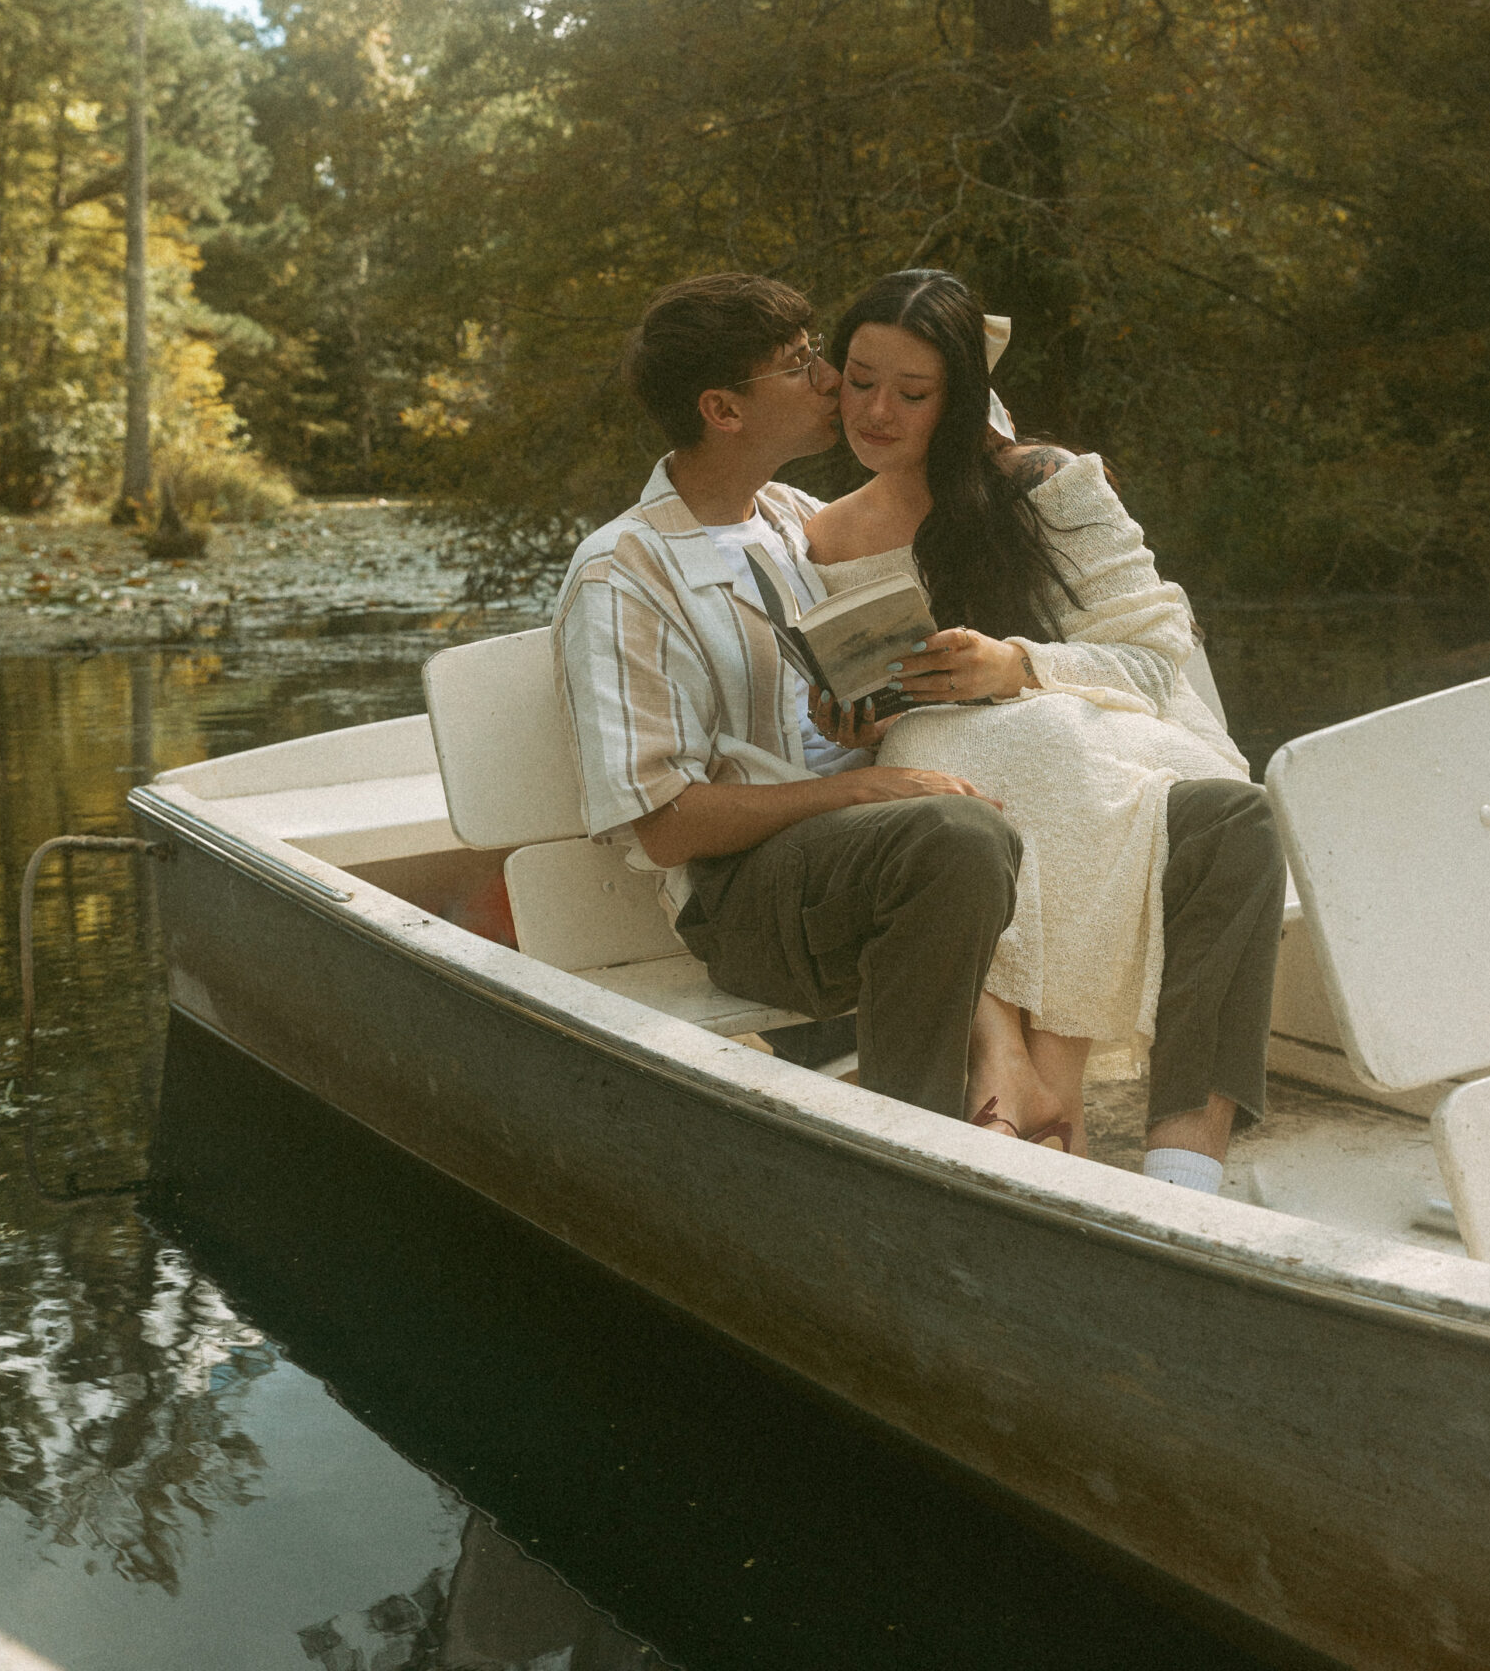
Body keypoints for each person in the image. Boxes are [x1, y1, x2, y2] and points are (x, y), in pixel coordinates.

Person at [802, 269, 1286, 1190]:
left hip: (1116, 735)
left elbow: (1156, 656)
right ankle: (1030, 1094)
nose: (876, 412)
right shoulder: (825, 537)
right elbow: (856, 693)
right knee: (948, 754)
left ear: (959, 399)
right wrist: (847, 718)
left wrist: (1020, 666)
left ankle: (1110, 1130)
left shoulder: (1046, 484)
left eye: (912, 393)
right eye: (859, 380)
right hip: (950, 757)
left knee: (1090, 764)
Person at [550, 272, 1023, 1123]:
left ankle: (1012, 1085)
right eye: (799, 363)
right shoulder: (622, 573)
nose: (831, 380)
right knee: (953, 834)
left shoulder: (794, 518)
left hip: (860, 851)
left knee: (1038, 776)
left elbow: (973, 428)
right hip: (744, 902)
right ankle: (915, 1142)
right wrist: (861, 785)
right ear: (722, 411)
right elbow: (661, 823)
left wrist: (864, 718)